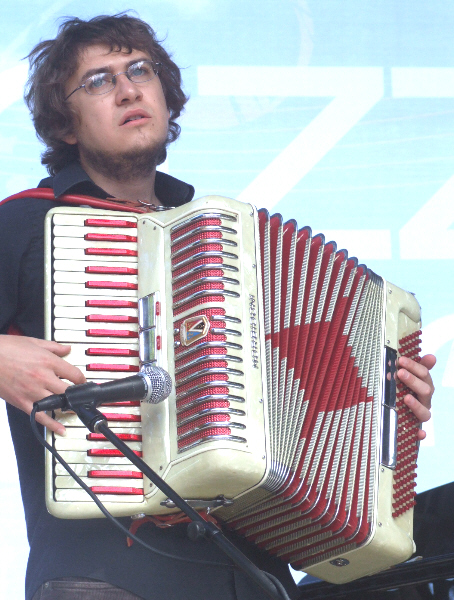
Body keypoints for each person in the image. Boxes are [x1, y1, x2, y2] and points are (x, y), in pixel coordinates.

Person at [0, 13, 436, 600]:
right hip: (108, 574)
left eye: (139, 70)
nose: (128, 88)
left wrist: (388, 407)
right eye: (99, 80)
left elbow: (309, 395)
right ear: (66, 125)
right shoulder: (28, 222)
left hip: (250, 573)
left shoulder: (232, 247)